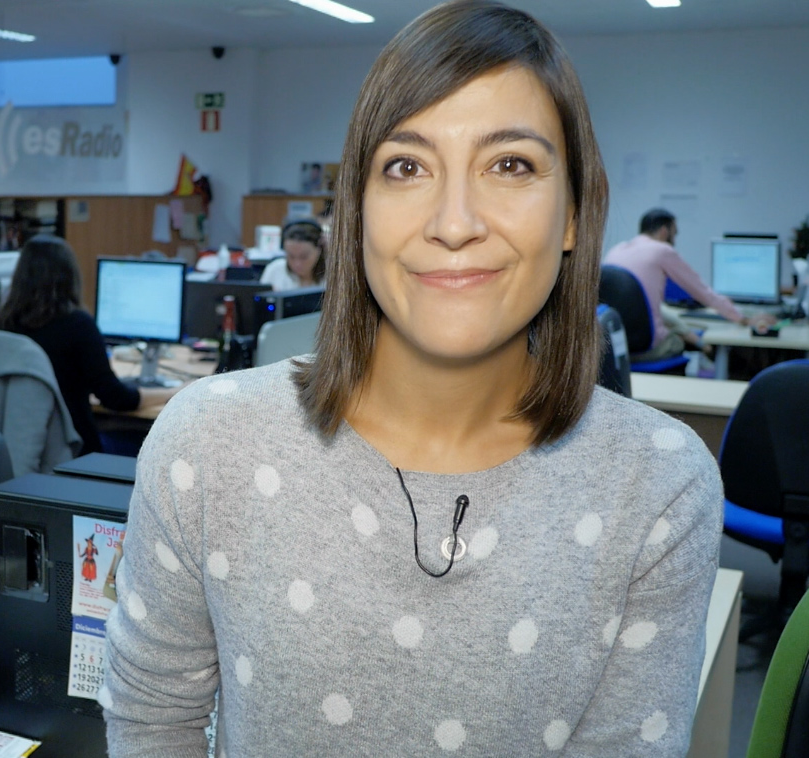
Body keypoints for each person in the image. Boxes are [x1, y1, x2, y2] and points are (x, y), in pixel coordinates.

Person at [100, 2, 723, 756]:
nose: (454, 222)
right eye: (406, 167)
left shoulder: (658, 484)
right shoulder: (210, 444)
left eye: (510, 165)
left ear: (572, 214)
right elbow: (152, 725)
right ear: (357, 212)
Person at [0, 235, 174, 455]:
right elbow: (116, 398)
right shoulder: (78, 325)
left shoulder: (3, 325)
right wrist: (173, 392)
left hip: (21, 447)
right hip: (75, 449)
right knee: (151, 441)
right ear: (69, 276)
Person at [604, 208, 775, 361]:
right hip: (647, 348)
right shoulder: (662, 250)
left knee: (671, 319)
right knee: (680, 338)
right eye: (675, 234)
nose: (674, 240)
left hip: (615, 346)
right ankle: (707, 350)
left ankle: (700, 343)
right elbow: (703, 293)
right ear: (664, 231)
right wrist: (744, 319)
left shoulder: (616, 250)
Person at [260, 218, 326, 291]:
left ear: (319, 249)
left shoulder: (331, 275)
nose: (297, 264)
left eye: (304, 257)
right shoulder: (274, 270)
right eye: (291, 256)